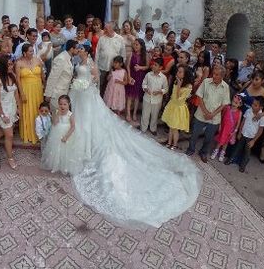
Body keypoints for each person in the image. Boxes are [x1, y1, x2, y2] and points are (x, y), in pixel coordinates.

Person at [63, 56, 202, 228]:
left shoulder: (90, 62)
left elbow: (94, 78)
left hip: (88, 94)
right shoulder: (76, 61)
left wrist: (86, 84)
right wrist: (78, 85)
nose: (80, 51)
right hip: (79, 95)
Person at [186, 65, 231, 163]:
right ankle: (191, 149)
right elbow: (200, 98)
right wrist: (206, 112)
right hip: (201, 114)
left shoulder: (226, 87)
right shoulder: (206, 82)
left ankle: (203, 152)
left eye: (217, 74)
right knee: (194, 134)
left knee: (209, 138)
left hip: (214, 118)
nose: (214, 76)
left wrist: (212, 114)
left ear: (222, 76)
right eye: (214, 73)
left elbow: (224, 104)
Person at [41, 95, 82, 175]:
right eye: (60, 104)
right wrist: (58, 114)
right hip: (57, 132)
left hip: (67, 134)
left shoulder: (70, 114)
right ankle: (56, 165)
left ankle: (65, 166)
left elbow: (73, 127)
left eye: (64, 104)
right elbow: (55, 123)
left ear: (68, 104)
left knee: (66, 150)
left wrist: (66, 136)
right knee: (56, 149)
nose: (62, 106)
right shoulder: (57, 112)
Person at [0, 55, 21, 169]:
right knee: (9, 135)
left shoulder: (12, 76)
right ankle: (10, 158)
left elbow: (15, 93)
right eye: (9, 64)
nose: (11, 66)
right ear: (3, 65)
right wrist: (3, 115)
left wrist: (18, 108)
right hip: (2, 109)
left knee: (4, 132)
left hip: (12, 107)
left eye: (12, 64)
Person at [225, 96, 264, 173]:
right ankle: (231, 159)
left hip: (251, 138)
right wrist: (240, 132)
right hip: (243, 134)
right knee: (237, 148)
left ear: (261, 107)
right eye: (253, 104)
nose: (253, 106)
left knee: (247, 153)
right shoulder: (248, 111)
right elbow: (243, 122)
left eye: (255, 105)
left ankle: (243, 165)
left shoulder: (262, 117)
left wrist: (254, 140)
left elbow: (260, 130)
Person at [15, 43, 45, 144]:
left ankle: (39, 133)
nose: (32, 53)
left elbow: (42, 75)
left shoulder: (37, 60)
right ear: (24, 53)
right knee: (28, 110)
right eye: (30, 51)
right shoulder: (19, 63)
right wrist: (21, 93)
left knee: (37, 109)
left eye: (33, 51)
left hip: (37, 89)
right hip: (26, 89)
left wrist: (44, 87)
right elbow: (18, 80)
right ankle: (28, 134)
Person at [161, 65, 192, 150]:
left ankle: (174, 144)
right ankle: (169, 142)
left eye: (180, 72)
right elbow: (173, 95)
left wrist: (179, 85)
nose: (178, 73)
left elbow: (179, 99)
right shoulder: (177, 81)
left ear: (185, 74)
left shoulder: (188, 86)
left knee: (175, 128)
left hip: (179, 108)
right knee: (171, 126)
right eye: (178, 71)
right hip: (172, 105)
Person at [44, 40, 77, 114]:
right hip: (57, 94)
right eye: (77, 48)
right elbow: (53, 77)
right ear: (72, 49)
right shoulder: (61, 59)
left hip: (65, 92)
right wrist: (48, 94)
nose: (78, 51)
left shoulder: (71, 58)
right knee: (56, 117)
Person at [95, 21, 126, 96]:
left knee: (111, 88)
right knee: (100, 86)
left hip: (114, 69)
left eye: (106, 28)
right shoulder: (102, 38)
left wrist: (120, 68)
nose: (104, 30)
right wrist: (96, 67)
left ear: (112, 29)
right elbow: (97, 53)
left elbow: (123, 54)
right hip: (102, 67)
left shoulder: (120, 39)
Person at [211, 93, 243, 162]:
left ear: (240, 105)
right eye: (234, 101)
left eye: (237, 103)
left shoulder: (239, 112)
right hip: (223, 128)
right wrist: (219, 125)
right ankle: (215, 151)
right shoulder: (227, 108)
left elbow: (238, 123)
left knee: (226, 143)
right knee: (220, 140)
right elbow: (221, 117)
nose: (234, 104)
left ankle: (222, 153)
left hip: (230, 131)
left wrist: (235, 132)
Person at [141, 57, 168, 135]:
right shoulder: (148, 75)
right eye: (153, 64)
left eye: (155, 65)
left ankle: (153, 128)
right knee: (145, 114)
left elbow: (166, 88)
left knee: (154, 115)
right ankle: (143, 128)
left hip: (157, 100)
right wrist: (146, 89)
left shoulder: (163, 78)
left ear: (160, 67)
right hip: (147, 98)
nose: (153, 66)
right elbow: (144, 84)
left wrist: (160, 91)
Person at [126, 38, 148, 123]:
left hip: (140, 77)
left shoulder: (145, 55)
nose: (135, 46)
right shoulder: (131, 54)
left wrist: (140, 68)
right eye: (134, 44)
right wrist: (129, 76)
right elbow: (127, 66)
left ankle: (134, 113)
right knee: (130, 95)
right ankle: (128, 113)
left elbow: (147, 66)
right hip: (132, 76)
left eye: (137, 44)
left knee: (137, 97)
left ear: (141, 46)